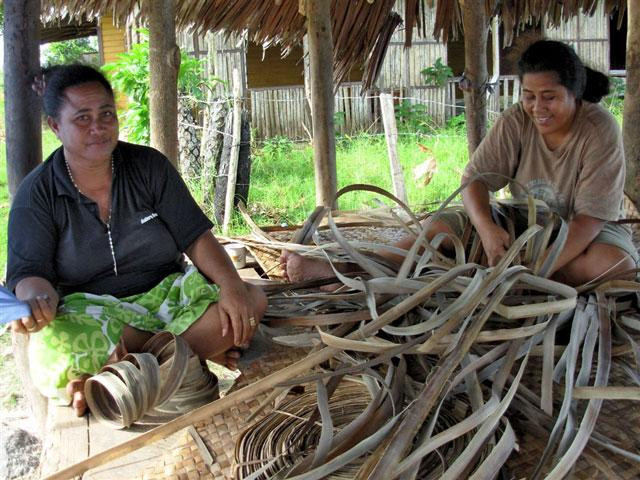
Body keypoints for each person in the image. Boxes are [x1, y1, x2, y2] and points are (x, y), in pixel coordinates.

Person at [7, 64, 267, 416]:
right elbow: (31, 272)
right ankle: (179, 358)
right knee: (52, 347)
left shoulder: (148, 167)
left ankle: (120, 376)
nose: (98, 127)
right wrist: (37, 302)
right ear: (56, 126)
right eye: (82, 118)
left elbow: (195, 238)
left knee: (251, 299)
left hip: (168, 298)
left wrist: (231, 285)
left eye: (106, 114)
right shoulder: (37, 193)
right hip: (96, 313)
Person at [282, 40, 639, 286]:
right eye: (529, 96)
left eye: (550, 97)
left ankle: (482, 270)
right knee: (437, 229)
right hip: (521, 222)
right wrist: (486, 228)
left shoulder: (598, 129)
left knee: (615, 265)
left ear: (574, 94)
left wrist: (540, 270)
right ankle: (344, 270)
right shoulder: (517, 120)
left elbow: (589, 221)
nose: (537, 108)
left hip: (577, 230)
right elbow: (474, 181)